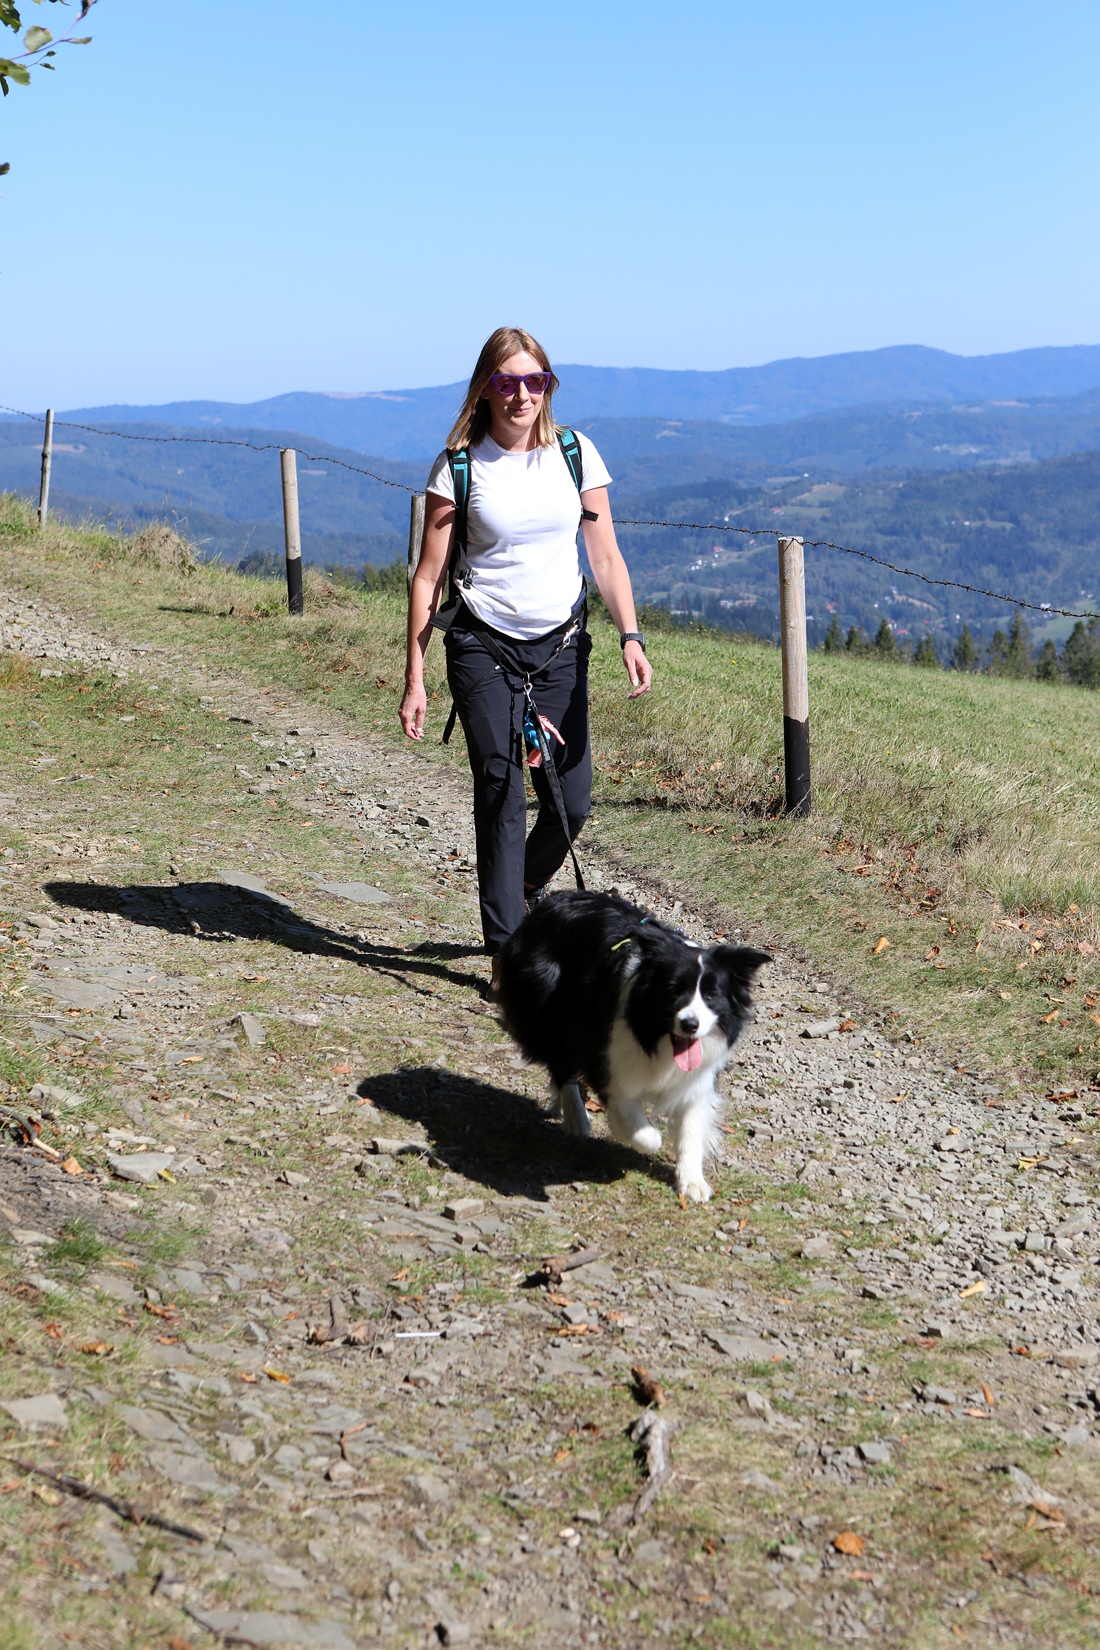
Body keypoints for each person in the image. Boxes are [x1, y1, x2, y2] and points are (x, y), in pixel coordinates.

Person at [399, 326, 653, 995]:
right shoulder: (459, 466)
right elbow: (428, 577)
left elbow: (605, 556)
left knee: (573, 798)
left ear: (549, 386)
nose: (521, 395)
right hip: (482, 645)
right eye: (507, 382)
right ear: (485, 388)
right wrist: (415, 677)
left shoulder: (575, 454)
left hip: (561, 647)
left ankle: (524, 886)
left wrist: (631, 635)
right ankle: (508, 951)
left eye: (534, 381)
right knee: (501, 793)